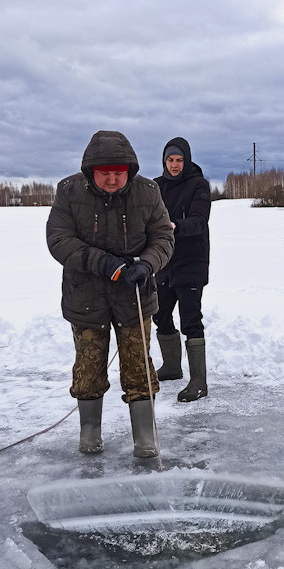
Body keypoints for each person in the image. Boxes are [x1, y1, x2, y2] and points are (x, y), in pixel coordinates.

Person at [46, 130, 174, 458]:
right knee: (88, 365)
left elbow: (163, 237)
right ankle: (90, 430)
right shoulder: (69, 191)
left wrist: (148, 264)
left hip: (134, 296)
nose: (114, 180)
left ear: (129, 170)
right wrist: (102, 262)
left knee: (138, 365)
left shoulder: (148, 191)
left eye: (119, 173)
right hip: (86, 296)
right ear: (91, 172)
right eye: (106, 174)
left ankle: (144, 434)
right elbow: (58, 239)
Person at [153, 137, 211, 402]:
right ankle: (172, 367)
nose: (174, 165)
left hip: (191, 261)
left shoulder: (199, 185)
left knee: (190, 319)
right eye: (170, 160)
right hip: (163, 261)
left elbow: (199, 222)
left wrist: (174, 226)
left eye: (179, 160)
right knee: (160, 314)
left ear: (186, 160)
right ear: (164, 161)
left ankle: (199, 381)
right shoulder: (156, 186)